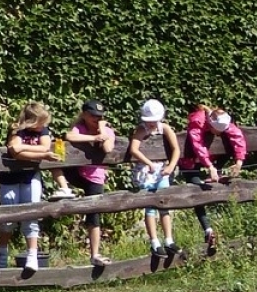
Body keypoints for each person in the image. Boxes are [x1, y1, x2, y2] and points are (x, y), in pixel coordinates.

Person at [177, 106, 247, 256]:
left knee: (204, 188)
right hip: (190, 161)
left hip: (210, 160)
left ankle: (217, 171)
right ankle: (208, 230)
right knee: (197, 191)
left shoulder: (221, 120)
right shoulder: (198, 122)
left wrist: (239, 161)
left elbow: (236, 135)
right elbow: (198, 145)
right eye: (219, 131)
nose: (221, 134)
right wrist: (209, 167)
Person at [0, 102, 55, 273]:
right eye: (40, 122)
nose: (43, 126)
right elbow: (14, 151)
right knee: (7, 219)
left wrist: (29, 150)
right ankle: (2, 258)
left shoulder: (43, 131)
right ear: (31, 120)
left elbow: (43, 146)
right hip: (9, 178)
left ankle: (32, 256)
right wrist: (41, 154)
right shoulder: (16, 130)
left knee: (32, 215)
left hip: (30, 177)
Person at [61, 99, 118, 266]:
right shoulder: (80, 128)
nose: (96, 118)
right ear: (85, 115)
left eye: (100, 116)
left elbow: (107, 148)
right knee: (56, 162)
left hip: (95, 176)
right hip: (78, 172)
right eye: (93, 116)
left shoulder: (107, 130)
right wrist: (93, 137)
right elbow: (69, 136)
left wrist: (102, 131)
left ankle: (95, 253)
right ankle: (64, 189)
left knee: (94, 213)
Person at [129, 99, 182, 269]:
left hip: (162, 170)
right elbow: (134, 149)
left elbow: (176, 149)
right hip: (147, 172)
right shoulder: (141, 129)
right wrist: (148, 163)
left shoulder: (164, 128)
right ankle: (154, 241)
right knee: (150, 206)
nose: (151, 123)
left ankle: (169, 239)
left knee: (164, 203)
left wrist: (171, 166)